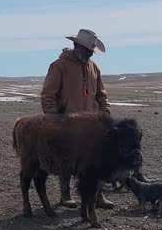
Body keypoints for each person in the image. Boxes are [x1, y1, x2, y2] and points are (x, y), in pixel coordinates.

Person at [40, 28, 114, 209]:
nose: (89, 54)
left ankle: (98, 195)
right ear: (76, 46)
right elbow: (48, 94)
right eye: (87, 50)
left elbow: (101, 95)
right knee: (66, 159)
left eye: (91, 51)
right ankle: (65, 195)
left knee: (96, 159)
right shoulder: (59, 66)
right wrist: (54, 117)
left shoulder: (93, 68)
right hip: (68, 122)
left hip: (93, 124)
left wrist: (105, 113)